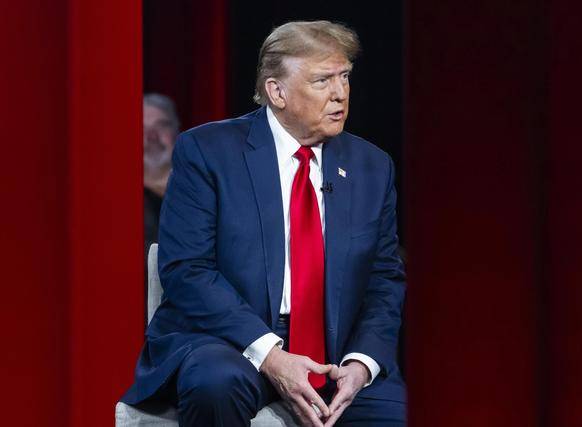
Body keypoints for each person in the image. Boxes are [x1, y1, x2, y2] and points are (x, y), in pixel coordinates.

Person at [122, 21, 406, 426]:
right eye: (322, 80)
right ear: (277, 92)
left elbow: (383, 280)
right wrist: (270, 353)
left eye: (344, 77)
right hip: (230, 339)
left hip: (337, 348)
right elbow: (187, 269)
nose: (340, 93)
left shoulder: (372, 167)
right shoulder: (208, 152)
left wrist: (362, 363)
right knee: (215, 383)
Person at [143, 93, 179, 258]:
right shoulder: (116, 199)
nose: (152, 137)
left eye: (161, 126)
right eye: (142, 128)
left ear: (176, 130)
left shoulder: (201, 192)